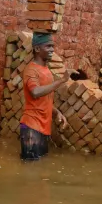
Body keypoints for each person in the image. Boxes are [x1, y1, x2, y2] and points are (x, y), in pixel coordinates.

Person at [20, 31, 71, 161]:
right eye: (48, 46)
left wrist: (57, 112)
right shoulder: (31, 70)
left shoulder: (46, 70)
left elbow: (44, 99)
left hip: (43, 128)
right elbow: (36, 92)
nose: (52, 50)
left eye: (52, 46)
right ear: (37, 48)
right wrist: (61, 80)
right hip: (31, 128)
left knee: (39, 167)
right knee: (30, 170)